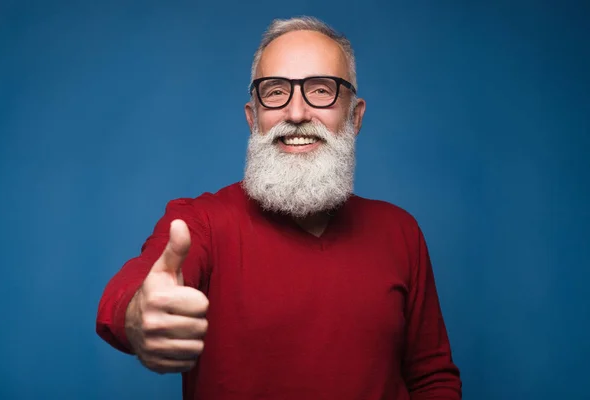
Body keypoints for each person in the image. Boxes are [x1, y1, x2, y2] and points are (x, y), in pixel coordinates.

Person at [96, 16, 462, 400]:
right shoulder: (200, 222)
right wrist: (141, 315)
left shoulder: (399, 231)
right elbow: (136, 288)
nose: (297, 113)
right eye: (275, 92)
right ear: (253, 118)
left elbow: (431, 378)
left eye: (322, 90)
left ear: (355, 117)